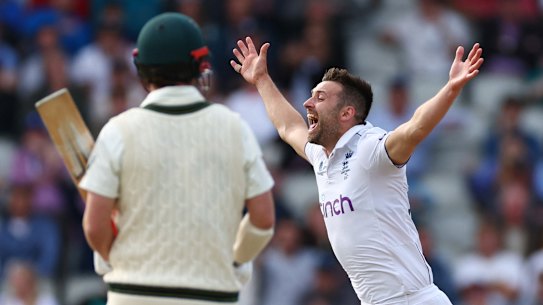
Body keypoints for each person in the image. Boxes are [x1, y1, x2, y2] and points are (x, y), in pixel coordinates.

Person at [230, 37, 483, 305]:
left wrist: (451, 89)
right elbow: (288, 127)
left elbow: (415, 128)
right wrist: (261, 80)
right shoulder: (322, 155)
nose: (307, 103)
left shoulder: (370, 148)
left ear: (346, 113)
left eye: (320, 97)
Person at [79, 13, 275, 305]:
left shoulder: (118, 130)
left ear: (140, 68)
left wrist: (115, 258)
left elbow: (95, 226)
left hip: (133, 294)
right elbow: (262, 219)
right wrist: (236, 257)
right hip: (212, 294)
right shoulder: (235, 127)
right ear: (202, 66)